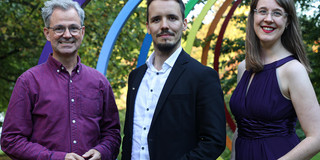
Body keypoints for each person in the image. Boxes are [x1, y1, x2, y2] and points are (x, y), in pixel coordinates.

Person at [0, 0, 121, 159]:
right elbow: (11, 140)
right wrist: (55, 157)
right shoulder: (28, 82)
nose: (67, 34)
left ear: (82, 32)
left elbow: (112, 134)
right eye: (59, 28)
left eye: (73, 28)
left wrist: (102, 151)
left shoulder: (100, 83)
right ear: (47, 33)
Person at [121, 0, 226, 159]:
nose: (164, 25)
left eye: (172, 18)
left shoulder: (203, 76)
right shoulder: (135, 77)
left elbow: (213, 142)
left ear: (184, 24)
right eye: (156, 19)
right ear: (148, 27)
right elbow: (129, 138)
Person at [230, 0, 320, 159]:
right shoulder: (243, 67)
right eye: (262, 11)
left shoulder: (293, 70)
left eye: (277, 13)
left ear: (287, 21)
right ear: (253, 16)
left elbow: (317, 137)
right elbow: (242, 126)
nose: (268, 19)